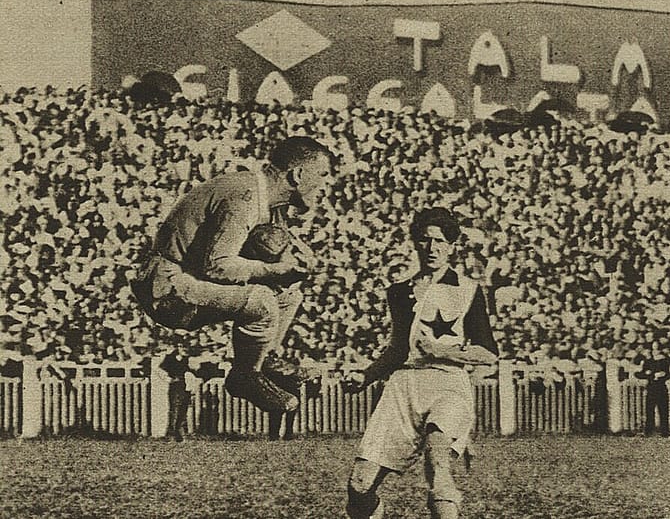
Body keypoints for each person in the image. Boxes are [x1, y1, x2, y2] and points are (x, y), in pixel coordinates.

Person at [131, 136, 339, 414]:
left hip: (185, 279)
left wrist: (293, 265)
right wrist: (275, 270)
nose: (326, 185)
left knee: (289, 295)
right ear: (298, 174)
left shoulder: (267, 199)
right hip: (166, 283)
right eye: (323, 175)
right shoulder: (246, 195)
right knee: (263, 299)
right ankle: (245, 376)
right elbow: (218, 266)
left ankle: (266, 361)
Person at [343, 207, 499, 519]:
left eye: (441, 242)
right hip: (404, 387)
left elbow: (488, 353)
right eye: (426, 240)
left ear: (452, 246)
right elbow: (398, 349)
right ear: (416, 243)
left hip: (448, 382)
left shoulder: (468, 290)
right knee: (359, 486)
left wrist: (443, 352)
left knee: (437, 458)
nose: (432, 248)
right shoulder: (399, 291)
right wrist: (366, 376)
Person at [159, 344, 193, 442]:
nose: (184, 349)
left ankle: (180, 434)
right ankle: (171, 433)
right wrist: (167, 379)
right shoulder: (170, 358)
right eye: (182, 347)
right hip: (175, 386)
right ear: (178, 348)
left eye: (186, 347)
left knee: (183, 409)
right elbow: (160, 369)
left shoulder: (187, 359)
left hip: (185, 385)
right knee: (174, 409)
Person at [642, 342, 670, 437]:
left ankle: (665, 431)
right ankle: (648, 431)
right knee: (649, 410)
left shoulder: (664, 361)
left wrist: (662, 375)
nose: (656, 351)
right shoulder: (648, 361)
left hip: (661, 387)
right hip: (651, 387)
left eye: (657, 349)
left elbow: (668, 374)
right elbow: (642, 373)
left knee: (663, 409)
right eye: (654, 349)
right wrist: (651, 374)